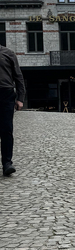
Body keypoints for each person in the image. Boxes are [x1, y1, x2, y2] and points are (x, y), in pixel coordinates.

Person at [0, 43, 26, 176]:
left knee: (6, 130)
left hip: (5, 94)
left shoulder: (8, 53)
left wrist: (20, 98)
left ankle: (7, 163)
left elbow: (18, 76)